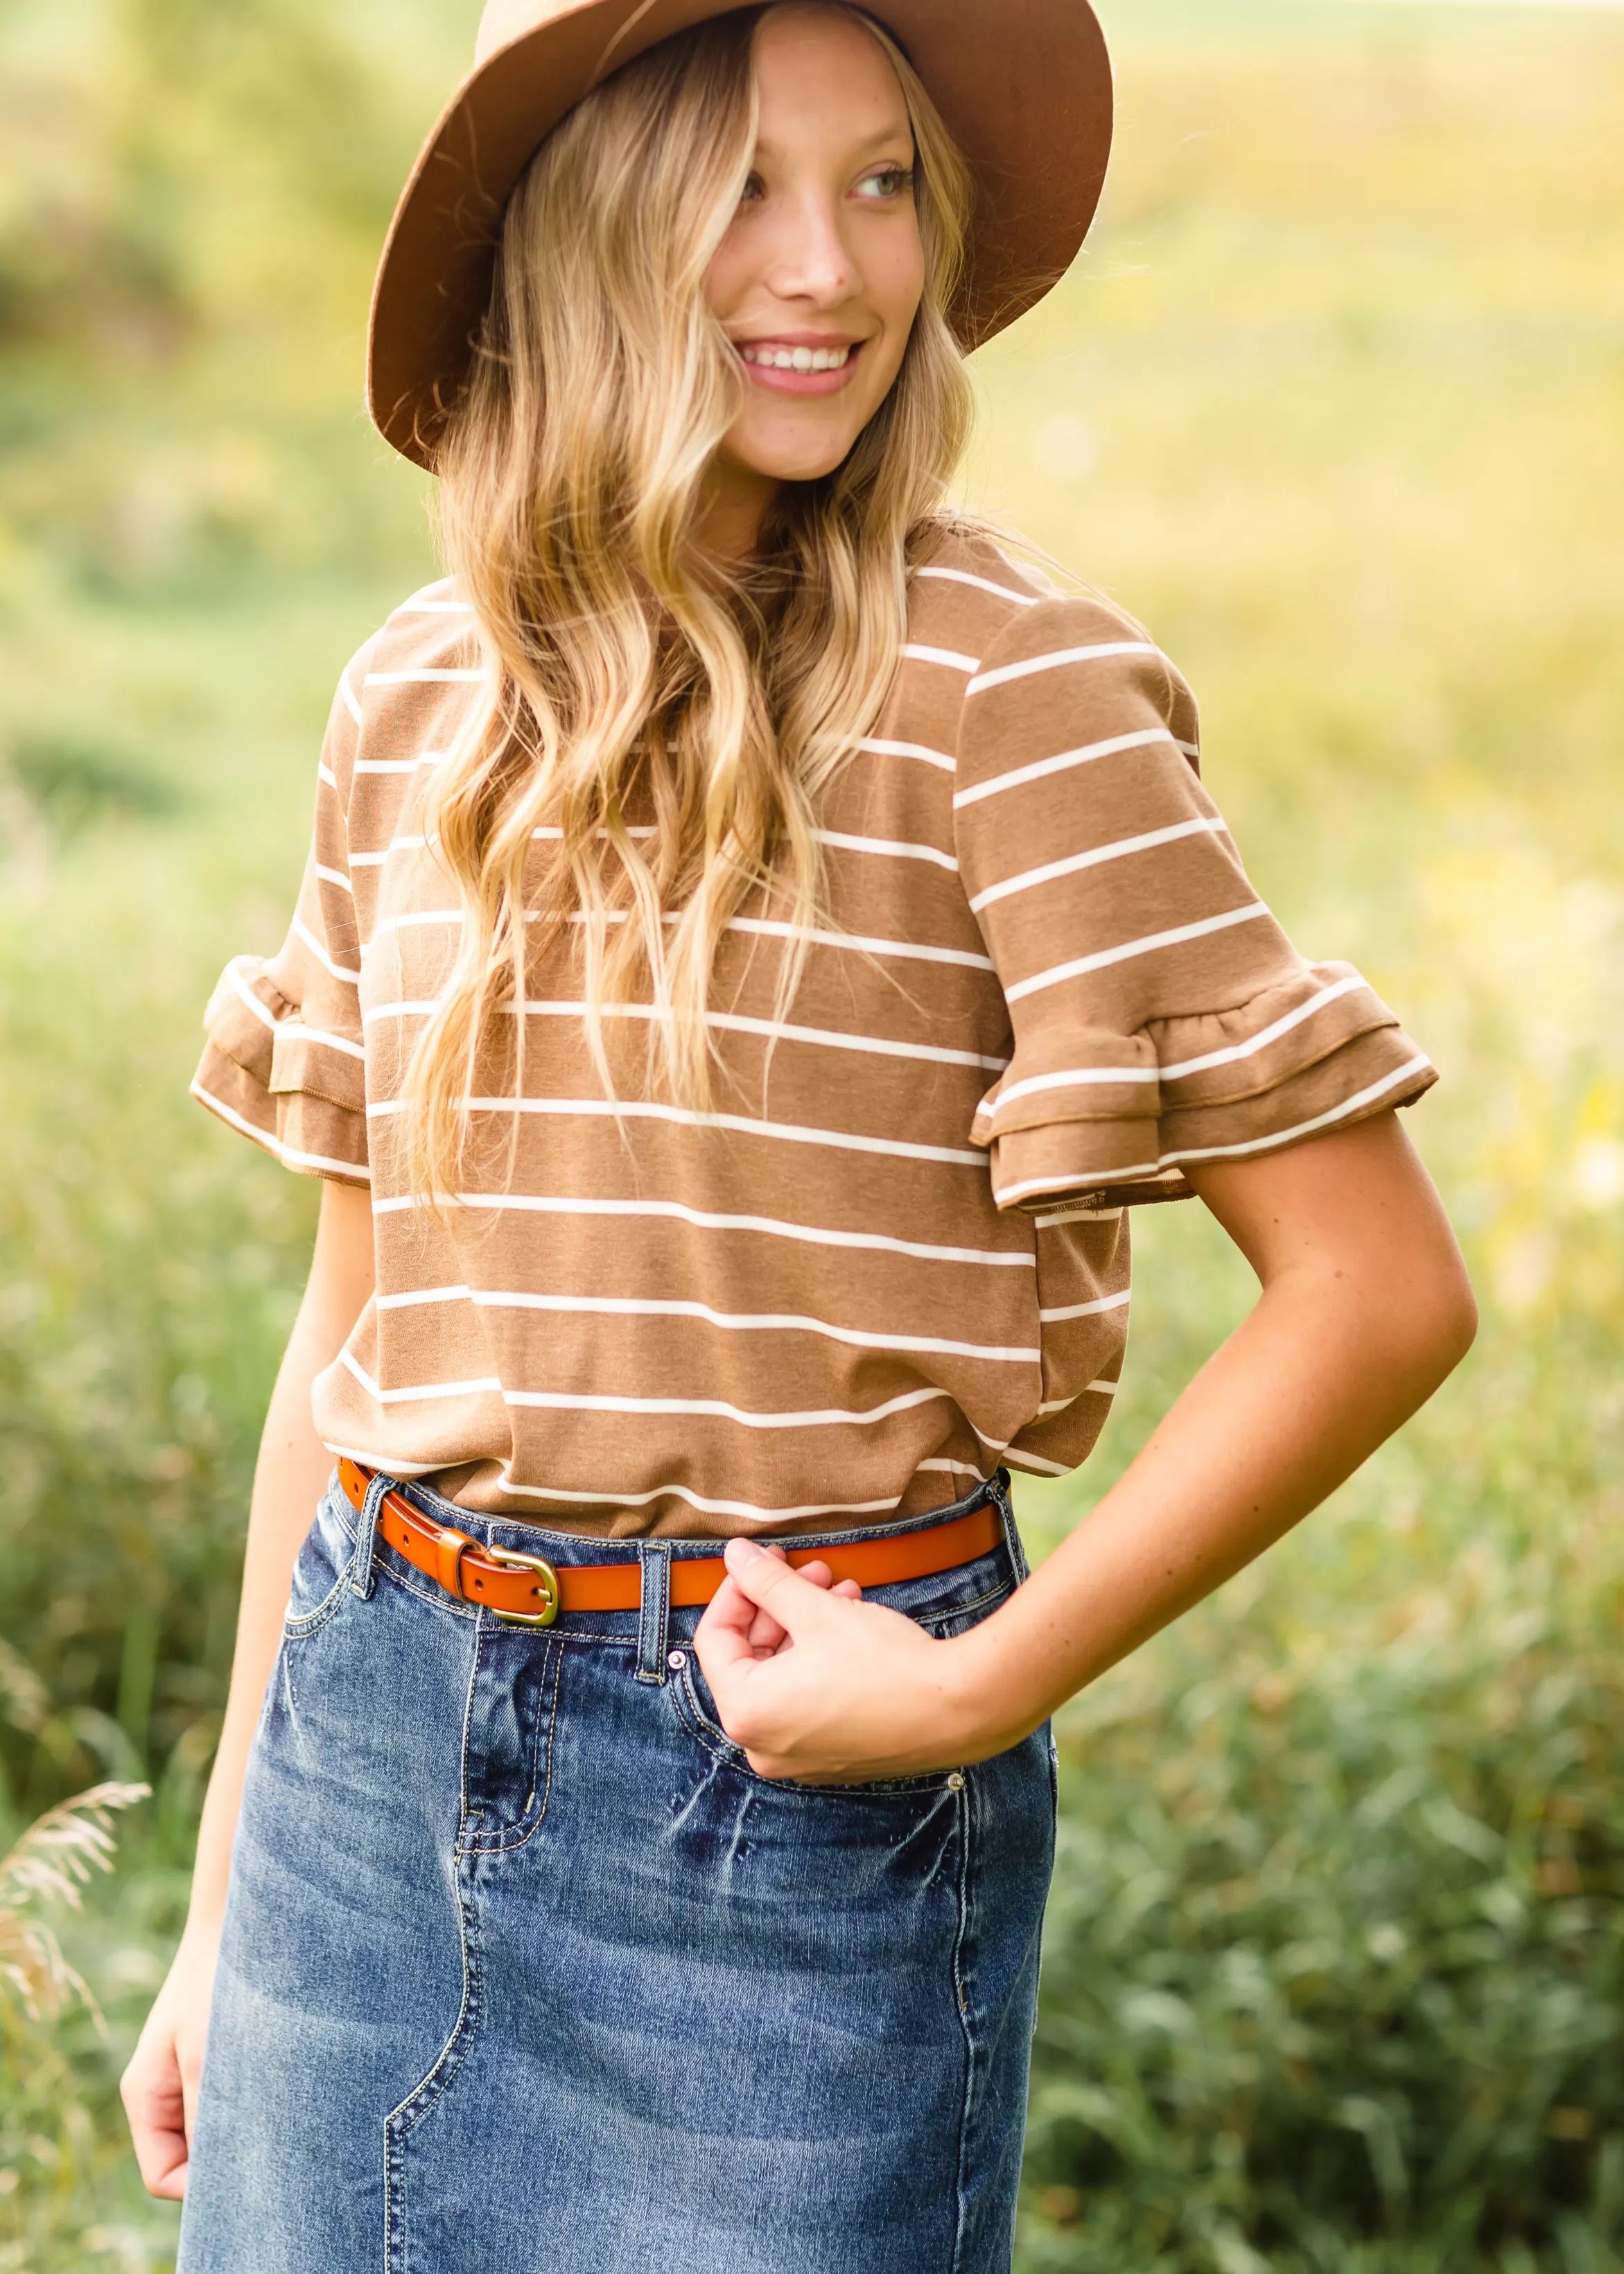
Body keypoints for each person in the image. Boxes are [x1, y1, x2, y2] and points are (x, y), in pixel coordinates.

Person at [121, 1, 1476, 2266]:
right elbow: (354, 1330)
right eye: (746, 180)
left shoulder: (1002, 689)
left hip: (774, 1835)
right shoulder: (416, 695)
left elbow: (1378, 1289)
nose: (830, 269)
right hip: (356, 1793)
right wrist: (220, 1903)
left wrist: (965, 1688)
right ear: (582, 227)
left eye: (879, 185)